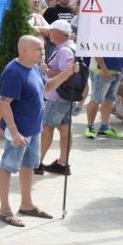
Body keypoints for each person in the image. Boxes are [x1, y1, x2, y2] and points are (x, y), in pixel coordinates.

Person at [0, 36, 77, 226]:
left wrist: (67, 73)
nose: (43, 52)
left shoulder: (34, 68)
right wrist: (15, 132)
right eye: (39, 49)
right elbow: (4, 103)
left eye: (43, 48)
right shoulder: (14, 72)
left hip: (33, 129)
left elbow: (47, 87)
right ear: (24, 50)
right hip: (19, 132)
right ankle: (4, 210)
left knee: (28, 165)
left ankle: (27, 204)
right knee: (7, 167)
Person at [39, 19, 82, 176]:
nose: (48, 33)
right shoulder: (70, 47)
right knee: (65, 130)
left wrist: (47, 70)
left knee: (47, 128)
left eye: (51, 30)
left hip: (57, 97)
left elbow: (68, 73)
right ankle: (63, 164)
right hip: (65, 98)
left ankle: (36, 163)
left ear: (58, 33)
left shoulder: (64, 50)